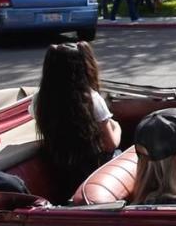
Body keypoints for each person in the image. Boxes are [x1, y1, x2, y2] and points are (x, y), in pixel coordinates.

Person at [32, 42, 122, 202]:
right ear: (82, 68)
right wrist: (118, 127)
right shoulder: (92, 99)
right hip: (92, 169)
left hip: (58, 169)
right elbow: (110, 144)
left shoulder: (40, 99)